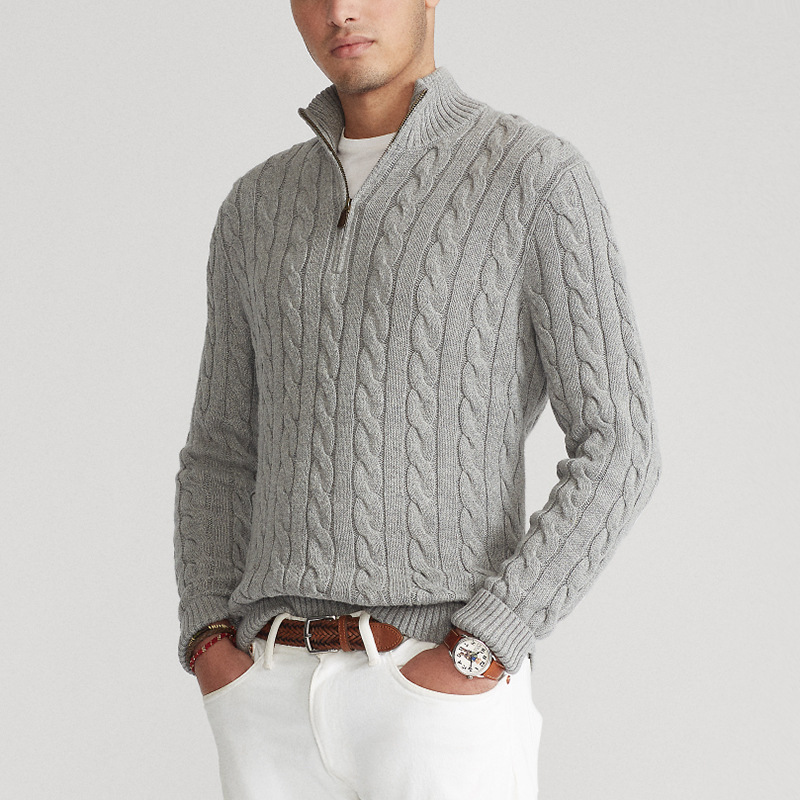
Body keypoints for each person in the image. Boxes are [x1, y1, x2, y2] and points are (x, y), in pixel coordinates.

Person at [173, 1, 662, 798]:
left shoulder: (534, 177)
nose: (341, 11)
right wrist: (208, 641)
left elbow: (622, 444)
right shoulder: (255, 206)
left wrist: (488, 644)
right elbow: (221, 449)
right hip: (268, 698)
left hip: (435, 694)